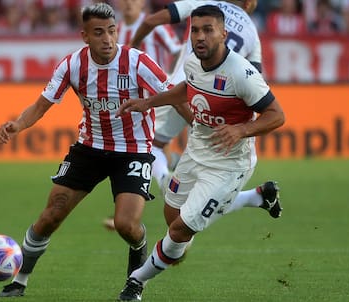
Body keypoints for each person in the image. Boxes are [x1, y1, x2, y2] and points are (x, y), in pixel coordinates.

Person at [0, 2, 172, 297]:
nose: (107, 39)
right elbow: (42, 105)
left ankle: (135, 280)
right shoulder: (72, 65)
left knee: (126, 225)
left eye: (112, 31)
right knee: (51, 214)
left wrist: (198, 123)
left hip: (134, 150)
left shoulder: (138, 62)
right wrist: (18, 125)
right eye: (99, 33)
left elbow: (174, 94)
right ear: (85, 36)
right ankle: (19, 280)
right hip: (89, 148)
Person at [115, 5, 285, 301]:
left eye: (208, 30)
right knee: (172, 216)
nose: (200, 36)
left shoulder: (241, 74)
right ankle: (257, 197)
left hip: (229, 164)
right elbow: (188, 89)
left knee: (181, 229)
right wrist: (149, 103)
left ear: (223, 33)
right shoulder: (193, 61)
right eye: (195, 30)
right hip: (196, 152)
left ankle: (136, 281)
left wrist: (241, 130)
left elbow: (277, 115)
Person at [125, 0, 282, 222]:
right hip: (218, 104)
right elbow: (254, 82)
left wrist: (132, 47)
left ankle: (166, 187)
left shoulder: (203, 5)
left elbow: (151, 20)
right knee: (209, 179)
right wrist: (241, 127)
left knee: (150, 147)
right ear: (249, 3)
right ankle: (253, 198)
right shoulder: (252, 32)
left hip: (183, 90)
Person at [102, 0, 183, 231]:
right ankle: (168, 172)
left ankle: (166, 180)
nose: (128, 4)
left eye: (133, 0)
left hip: (158, 96)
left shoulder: (155, 27)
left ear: (142, 5)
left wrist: (169, 82)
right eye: (124, 0)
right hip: (134, 100)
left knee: (144, 149)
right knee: (142, 150)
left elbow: (179, 52)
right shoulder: (116, 29)